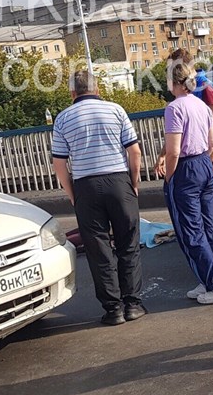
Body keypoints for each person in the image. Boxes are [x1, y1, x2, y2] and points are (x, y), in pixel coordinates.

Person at [51, 68, 145, 327]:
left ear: (72, 93)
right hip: (119, 182)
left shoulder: (63, 119)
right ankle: (133, 304)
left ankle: (113, 309)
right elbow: (134, 151)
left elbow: (59, 163)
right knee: (128, 243)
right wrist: (132, 183)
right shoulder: (116, 110)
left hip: (86, 187)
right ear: (98, 89)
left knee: (98, 248)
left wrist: (73, 195)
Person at [154, 49, 213, 287]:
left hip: (195, 163)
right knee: (207, 221)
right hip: (202, 158)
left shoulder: (204, 89)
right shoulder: (195, 97)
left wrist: (211, 160)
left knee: (202, 225)